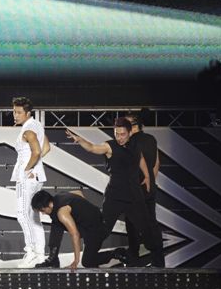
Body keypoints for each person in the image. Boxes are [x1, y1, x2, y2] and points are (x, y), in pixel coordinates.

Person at [66, 117, 164, 267]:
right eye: (116, 134)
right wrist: (80, 140)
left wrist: (147, 176)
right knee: (102, 231)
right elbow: (93, 148)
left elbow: (141, 159)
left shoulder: (135, 146)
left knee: (147, 230)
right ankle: (89, 259)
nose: (119, 137)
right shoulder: (110, 146)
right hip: (115, 196)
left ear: (130, 133)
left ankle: (159, 267)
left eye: (122, 134)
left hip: (134, 196)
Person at [31, 190, 127, 270]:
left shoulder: (62, 213)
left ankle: (116, 253)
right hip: (93, 221)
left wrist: (76, 261)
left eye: (42, 211)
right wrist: (85, 210)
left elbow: (75, 235)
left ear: (48, 205)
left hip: (97, 228)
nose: (42, 214)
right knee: (56, 222)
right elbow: (79, 192)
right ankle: (53, 259)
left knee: (87, 262)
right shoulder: (60, 196)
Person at [11, 97, 51, 268]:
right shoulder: (36, 126)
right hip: (36, 176)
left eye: (19, 112)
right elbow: (47, 147)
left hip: (26, 177)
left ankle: (31, 252)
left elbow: (36, 151)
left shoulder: (28, 130)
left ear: (28, 113)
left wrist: (27, 169)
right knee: (33, 216)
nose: (15, 115)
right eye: (14, 111)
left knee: (22, 214)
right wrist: (35, 168)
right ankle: (40, 255)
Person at [124, 110, 165, 267]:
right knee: (151, 225)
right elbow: (156, 164)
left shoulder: (129, 142)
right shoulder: (151, 139)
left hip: (133, 191)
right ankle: (159, 264)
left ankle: (133, 263)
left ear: (134, 126)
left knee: (132, 227)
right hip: (148, 190)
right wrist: (150, 182)